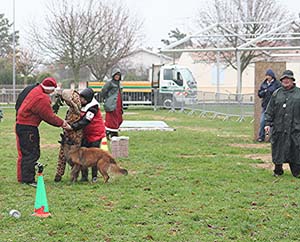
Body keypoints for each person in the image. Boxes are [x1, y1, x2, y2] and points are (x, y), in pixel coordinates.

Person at [15, 77, 71, 187]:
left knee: (24, 152)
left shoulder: (34, 90)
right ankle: (28, 179)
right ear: (49, 89)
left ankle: (22, 177)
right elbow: (49, 117)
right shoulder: (42, 98)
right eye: (53, 89)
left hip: (21, 125)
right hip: (28, 128)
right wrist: (63, 123)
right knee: (31, 153)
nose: (53, 92)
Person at [265, 70, 300, 178]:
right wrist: (267, 123)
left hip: (295, 127)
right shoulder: (277, 93)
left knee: (295, 149)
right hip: (279, 127)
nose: (286, 81)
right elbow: (270, 109)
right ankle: (278, 170)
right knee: (278, 149)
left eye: (288, 79)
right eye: (284, 79)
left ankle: (297, 171)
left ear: (292, 80)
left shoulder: (298, 93)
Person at [71, 88, 106, 182]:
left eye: (83, 99)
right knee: (82, 156)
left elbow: (86, 120)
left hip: (96, 134)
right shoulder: (81, 105)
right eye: (80, 98)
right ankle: (84, 176)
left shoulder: (93, 107)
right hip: (86, 134)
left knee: (94, 156)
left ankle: (94, 176)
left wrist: (73, 126)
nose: (81, 100)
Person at [257, 69, 281, 142]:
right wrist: (264, 92)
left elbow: (279, 93)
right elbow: (259, 94)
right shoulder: (264, 84)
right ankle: (261, 137)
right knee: (262, 122)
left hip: (274, 106)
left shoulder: (277, 84)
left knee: (273, 123)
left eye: (269, 75)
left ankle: (272, 137)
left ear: (272, 76)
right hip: (265, 106)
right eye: (267, 75)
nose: (268, 77)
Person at [100, 69, 123, 139]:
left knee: (118, 118)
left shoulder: (119, 83)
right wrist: (107, 99)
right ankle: (108, 132)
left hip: (118, 103)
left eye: (118, 75)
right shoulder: (109, 83)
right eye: (116, 75)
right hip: (111, 103)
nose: (117, 77)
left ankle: (114, 131)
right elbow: (103, 91)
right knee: (111, 119)